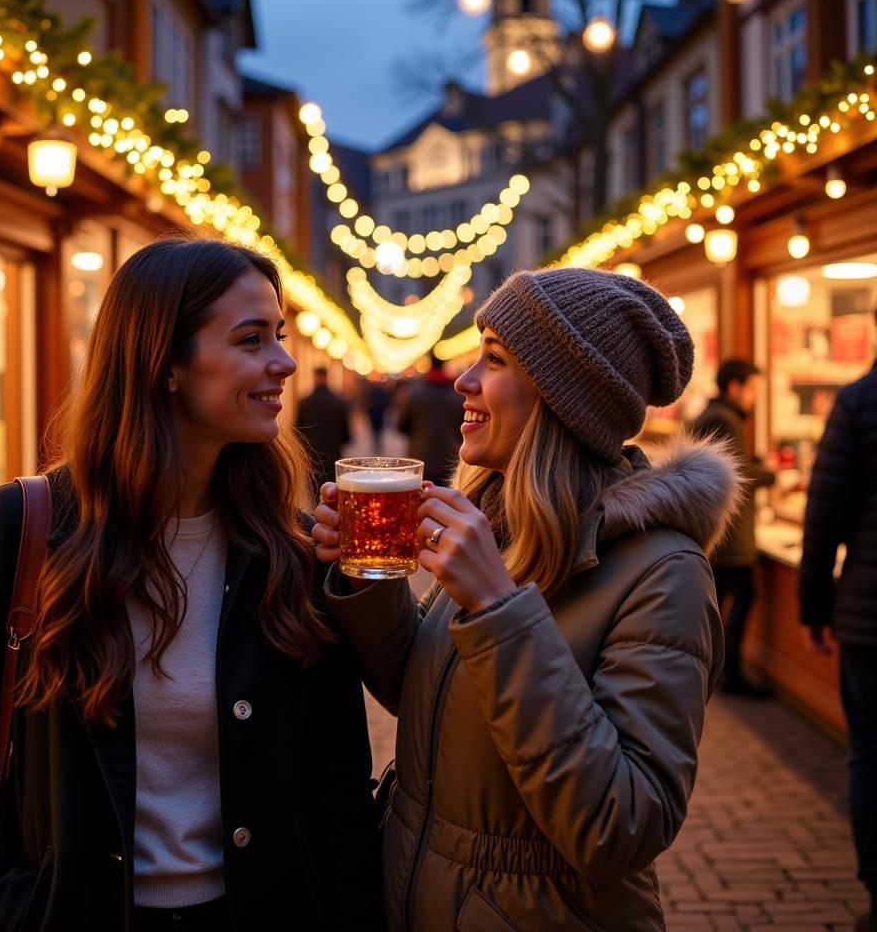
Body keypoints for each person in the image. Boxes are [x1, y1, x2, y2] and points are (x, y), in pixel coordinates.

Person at [0, 238, 383, 932]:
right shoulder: (16, 534)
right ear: (163, 362)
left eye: (278, 336)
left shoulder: (290, 550)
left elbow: (336, 787)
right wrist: (9, 918)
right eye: (252, 339)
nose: (284, 362)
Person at [313, 267, 741, 931]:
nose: (463, 380)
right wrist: (367, 580)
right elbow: (422, 692)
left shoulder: (664, 573)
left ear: (561, 398)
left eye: (494, 359)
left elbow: (623, 826)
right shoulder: (503, 527)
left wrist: (496, 612)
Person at [798, 323, 877, 932]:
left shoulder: (858, 401)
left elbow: (826, 516)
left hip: (868, 616)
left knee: (869, 756)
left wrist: (814, 607)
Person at [689, 358, 776, 696]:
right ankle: (731, 674)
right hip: (730, 535)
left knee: (719, 602)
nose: (754, 398)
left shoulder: (714, 416)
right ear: (735, 387)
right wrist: (770, 472)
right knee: (741, 596)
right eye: (752, 389)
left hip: (717, 531)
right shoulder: (725, 420)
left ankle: (716, 670)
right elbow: (736, 475)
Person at [396, 352, 464, 486]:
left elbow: (401, 426)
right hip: (450, 459)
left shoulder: (415, 394)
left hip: (420, 458)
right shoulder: (457, 396)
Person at [296, 364, 352, 486]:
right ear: (326, 377)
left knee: (315, 489)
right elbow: (345, 434)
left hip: (313, 454)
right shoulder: (338, 402)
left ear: (315, 377)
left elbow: (299, 431)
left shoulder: (305, 402)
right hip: (333, 452)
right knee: (332, 488)